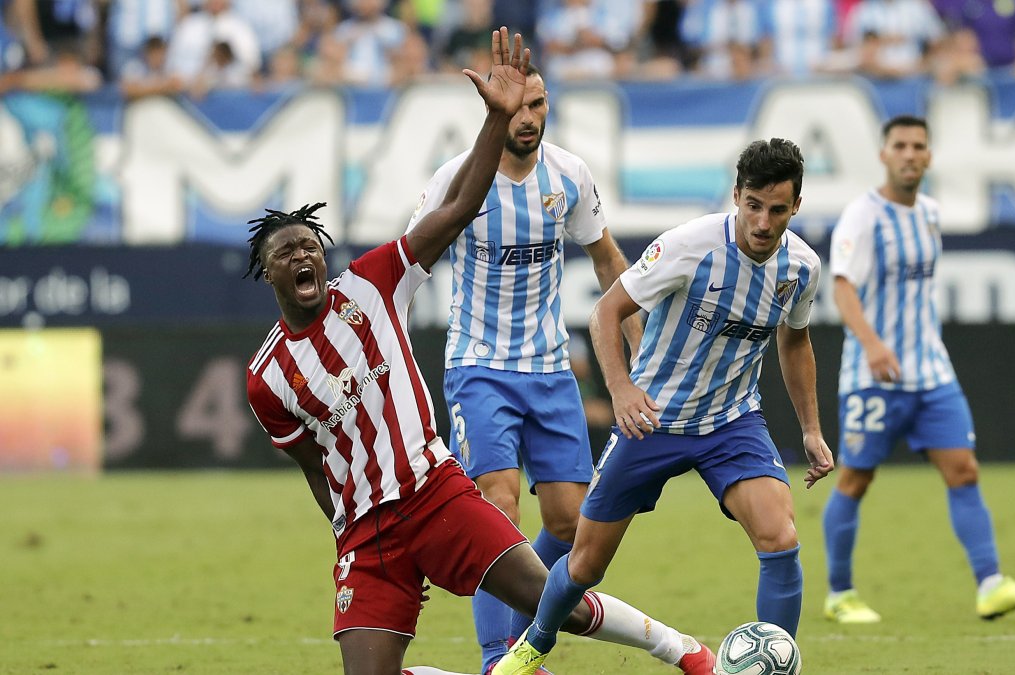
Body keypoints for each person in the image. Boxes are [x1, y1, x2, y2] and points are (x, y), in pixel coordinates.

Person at [244, 28, 713, 675]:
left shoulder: (373, 283)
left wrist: (494, 117)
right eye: (285, 253)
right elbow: (313, 467)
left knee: (561, 570)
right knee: (491, 512)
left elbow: (471, 207)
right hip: (380, 513)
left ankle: (680, 649)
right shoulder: (268, 378)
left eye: (308, 246)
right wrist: (345, 533)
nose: (301, 256)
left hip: (443, 480)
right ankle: (499, 662)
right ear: (268, 274)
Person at [495, 138, 834, 674]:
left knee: (780, 538)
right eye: (753, 205)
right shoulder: (689, 246)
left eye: (777, 210)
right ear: (737, 195)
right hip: (654, 418)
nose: (763, 222)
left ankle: (773, 668)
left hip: (731, 421)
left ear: (796, 206)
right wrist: (621, 389)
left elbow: (795, 342)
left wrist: (811, 429)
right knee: (584, 564)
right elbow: (606, 312)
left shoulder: (802, 267)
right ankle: (531, 646)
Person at [408, 58, 642, 674]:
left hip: (550, 369)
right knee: (498, 507)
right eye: (516, 107)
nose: (529, 117)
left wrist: (640, 351)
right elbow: (408, 268)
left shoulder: (569, 176)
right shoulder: (457, 179)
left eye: (538, 104)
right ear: (494, 111)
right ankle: (498, 660)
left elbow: (607, 260)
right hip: (478, 367)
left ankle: (520, 644)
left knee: (570, 524)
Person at [820, 115, 1015, 625]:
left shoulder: (929, 213)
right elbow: (842, 287)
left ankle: (990, 585)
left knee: (964, 470)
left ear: (928, 156)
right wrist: (873, 345)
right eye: (900, 145)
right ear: (883, 155)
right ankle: (840, 594)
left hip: (931, 373)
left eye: (918, 146)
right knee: (855, 478)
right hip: (873, 376)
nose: (909, 154)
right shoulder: (862, 216)